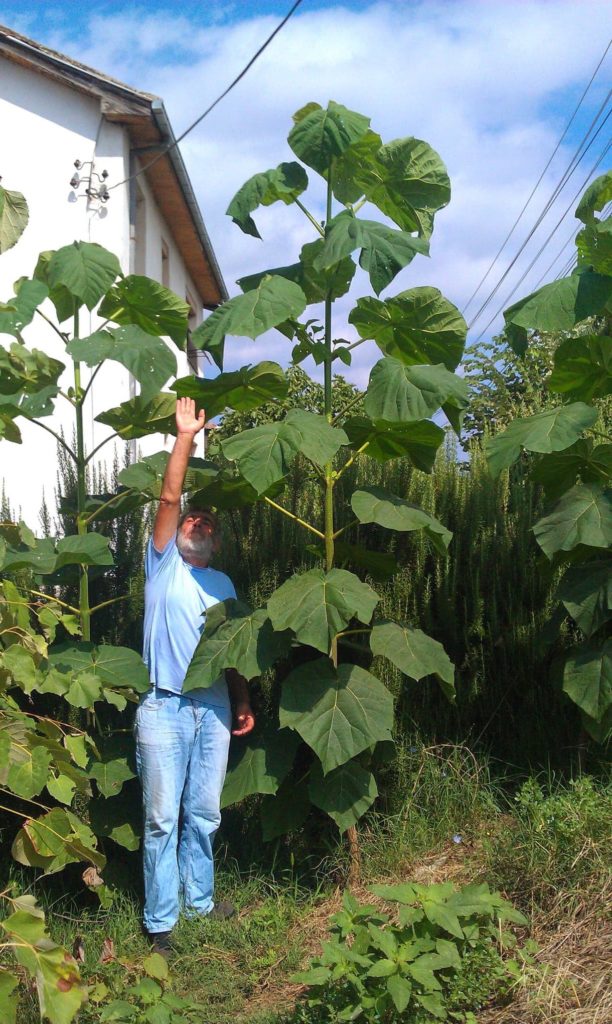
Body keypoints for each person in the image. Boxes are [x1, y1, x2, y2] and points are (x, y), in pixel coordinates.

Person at [135, 397, 255, 956]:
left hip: (213, 707)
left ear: (217, 542)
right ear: (177, 531)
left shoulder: (224, 584)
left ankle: (200, 902)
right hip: (164, 705)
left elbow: (232, 651)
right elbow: (167, 495)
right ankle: (162, 923)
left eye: (207, 522)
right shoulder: (164, 565)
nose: (197, 522)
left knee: (204, 812)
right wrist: (185, 435)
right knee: (161, 818)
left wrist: (242, 699)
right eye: (190, 517)